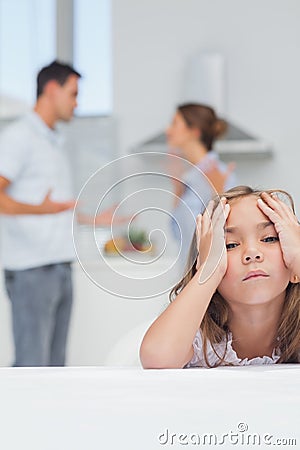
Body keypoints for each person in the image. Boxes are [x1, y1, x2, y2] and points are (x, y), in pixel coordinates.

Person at [0, 60, 118, 367]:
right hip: (31, 270)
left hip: (59, 266)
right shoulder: (19, 137)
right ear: (52, 89)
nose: (77, 104)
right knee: (31, 366)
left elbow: (56, 208)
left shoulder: (53, 141)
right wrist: (38, 210)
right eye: (73, 93)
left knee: (54, 368)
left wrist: (95, 219)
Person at [140, 186, 300, 368]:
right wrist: (209, 271)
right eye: (230, 245)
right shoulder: (196, 336)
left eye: (269, 239)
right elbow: (157, 358)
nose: (252, 253)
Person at [166, 103, 236, 264]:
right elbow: (178, 235)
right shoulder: (189, 177)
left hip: (208, 277)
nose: (167, 130)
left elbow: (229, 236)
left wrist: (219, 192)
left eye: (175, 123)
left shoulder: (220, 175)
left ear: (194, 131)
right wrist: (177, 189)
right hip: (188, 274)